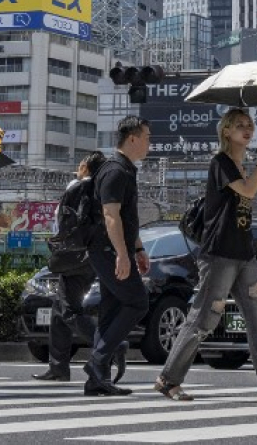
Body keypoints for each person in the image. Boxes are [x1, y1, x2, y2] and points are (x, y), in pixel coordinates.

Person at [154, 109, 257, 404]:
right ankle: (168, 379)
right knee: (204, 319)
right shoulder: (220, 162)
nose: (247, 130)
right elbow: (248, 191)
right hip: (219, 254)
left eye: (249, 125)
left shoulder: (241, 164)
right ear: (226, 132)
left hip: (244, 254)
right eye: (239, 126)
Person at [34, 152, 122, 383]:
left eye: (81, 164)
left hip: (72, 256)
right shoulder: (102, 190)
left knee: (69, 310)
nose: (78, 167)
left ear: (85, 168)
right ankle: (58, 367)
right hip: (92, 256)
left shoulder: (77, 186)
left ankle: (111, 344)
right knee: (58, 310)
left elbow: (62, 221)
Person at [83, 116, 152, 396]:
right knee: (138, 302)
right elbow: (111, 217)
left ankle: (97, 378)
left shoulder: (126, 170)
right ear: (132, 139)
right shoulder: (115, 171)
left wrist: (137, 248)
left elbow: (127, 218)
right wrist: (122, 255)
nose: (150, 143)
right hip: (107, 250)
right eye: (147, 137)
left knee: (111, 313)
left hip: (115, 249)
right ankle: (98, 361)